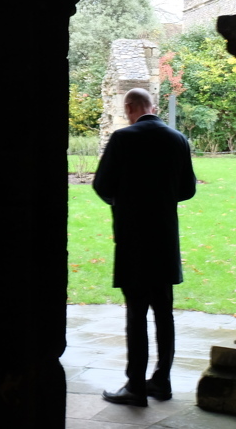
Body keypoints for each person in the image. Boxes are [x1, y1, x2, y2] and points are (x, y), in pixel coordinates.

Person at [93, 88, 198, 407]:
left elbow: (101, 184)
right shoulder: (177, 139)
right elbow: (188, 189)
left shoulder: (123, 139)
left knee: (136, 313)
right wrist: (162, 200)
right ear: (152, 106)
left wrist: (125, 202)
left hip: (133, 237)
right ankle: (162, 381)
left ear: (130, 107)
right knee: (164, 312)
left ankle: (136, 385)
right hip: (164, 236)